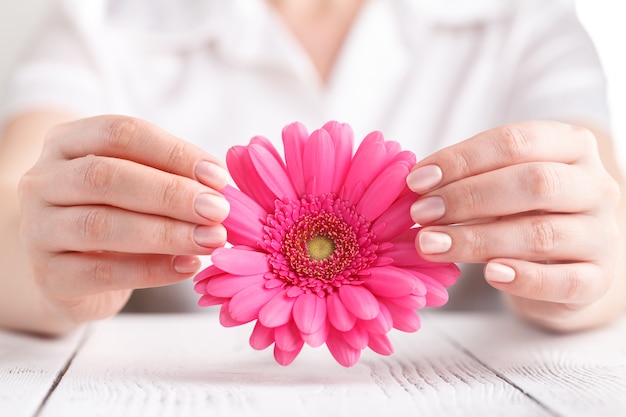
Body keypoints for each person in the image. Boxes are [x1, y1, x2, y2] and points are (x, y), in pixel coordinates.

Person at [0, 0, 624, 336]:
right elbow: (13, 202)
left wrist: (584, 270)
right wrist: (40, 260)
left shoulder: (527, 17)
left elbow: (605, 207)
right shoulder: (100, 18)